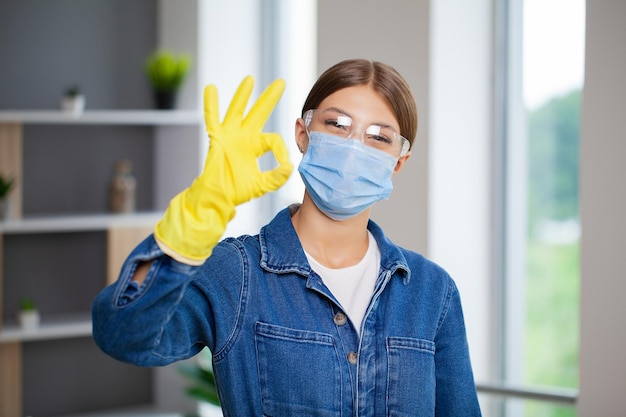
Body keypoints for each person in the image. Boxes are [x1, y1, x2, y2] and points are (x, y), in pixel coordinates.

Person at [92, 59, 482, 416]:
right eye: (337, 125)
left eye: (378, 137)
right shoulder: (237, 272)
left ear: (398, 161)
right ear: (303, 133)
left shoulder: (433, 292)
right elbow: (124, 336)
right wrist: (187, 228)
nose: (353, 149)